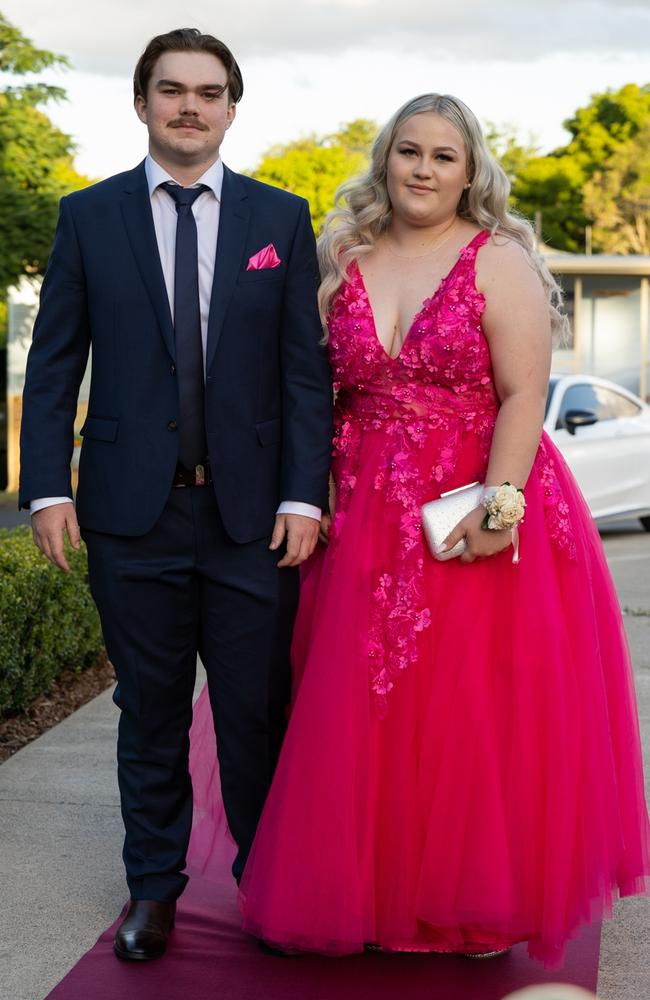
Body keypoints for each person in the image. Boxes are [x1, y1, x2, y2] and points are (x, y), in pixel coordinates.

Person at [214, 93, 648, 965]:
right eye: (408, 151)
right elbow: (310, 387)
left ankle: (470, 901)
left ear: (470, 170)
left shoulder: (501, 262)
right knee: (357, 708)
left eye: (443, 156)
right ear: (385, 160)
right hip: (360, 507)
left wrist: (501, 505)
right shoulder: (341, 256)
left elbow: (525, 393)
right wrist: (311, 488)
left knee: (467, 711)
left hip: (472, 503)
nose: (422, 168)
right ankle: (363, 899)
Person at [19, 28, 332, 962]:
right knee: (149, 711)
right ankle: (153, 890)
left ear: (233, 108)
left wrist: (302, 499)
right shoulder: (89, 216)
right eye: (171, 90)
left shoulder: (280, 221)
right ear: (142, 102)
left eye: (208, 92)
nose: (189, 106)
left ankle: (265, 888)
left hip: (249, 521)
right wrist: (45, 489)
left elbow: (303, 377)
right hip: (128, 514)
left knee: (253, 714)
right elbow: (53, 367)